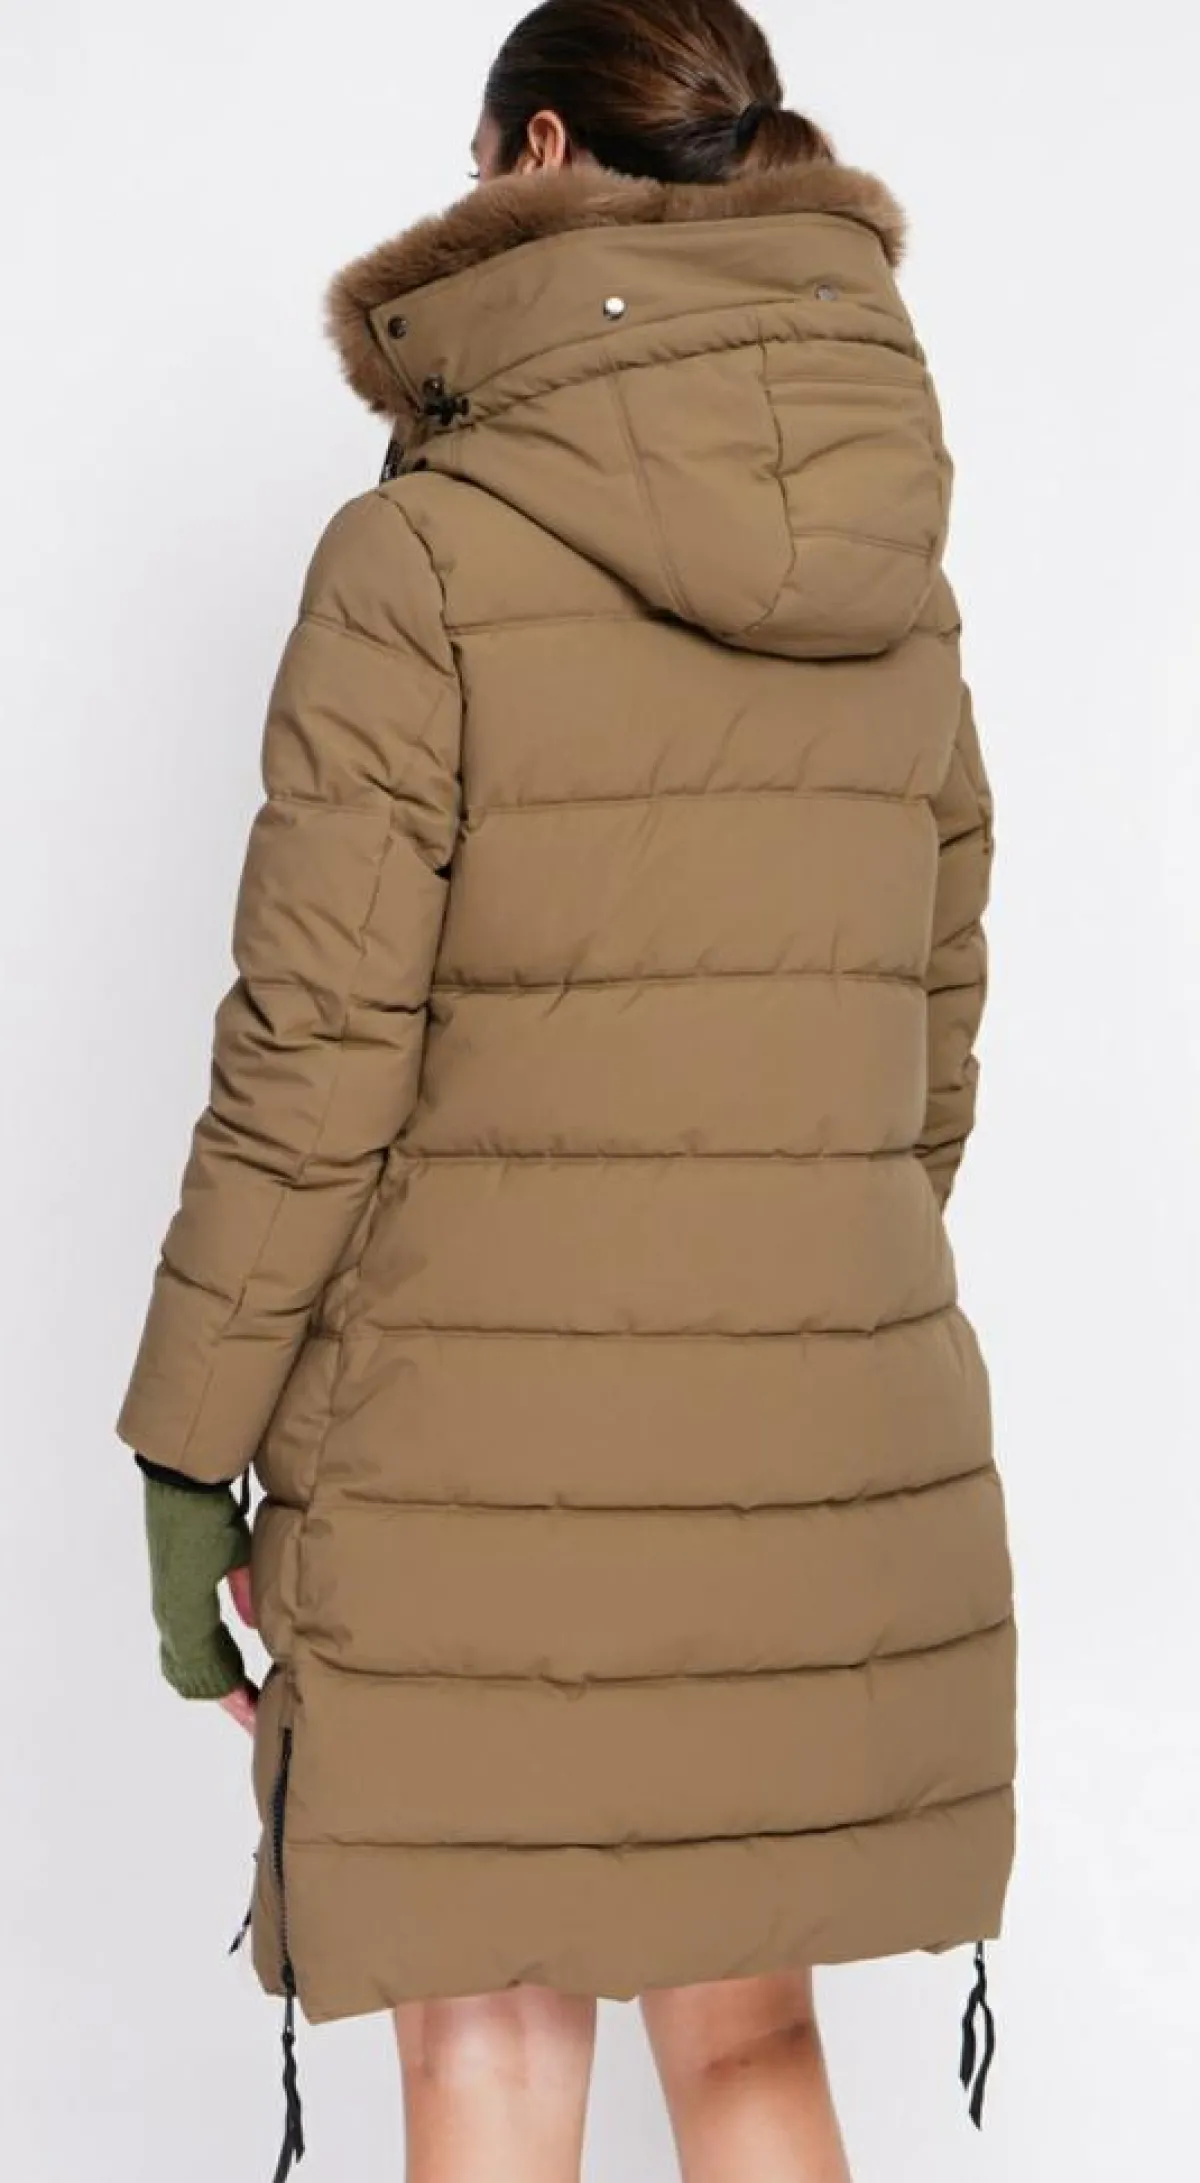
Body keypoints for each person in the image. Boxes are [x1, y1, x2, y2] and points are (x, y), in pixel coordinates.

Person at [119, 3, 1016, 2177]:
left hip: (466, 1471)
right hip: (831, 1448)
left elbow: (309, 1063)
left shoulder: (418, 562)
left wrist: (183, 1455)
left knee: (494, 2044)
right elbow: (932, 1036)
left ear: (535, 153)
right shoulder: (897, 586)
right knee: (753, 2036)